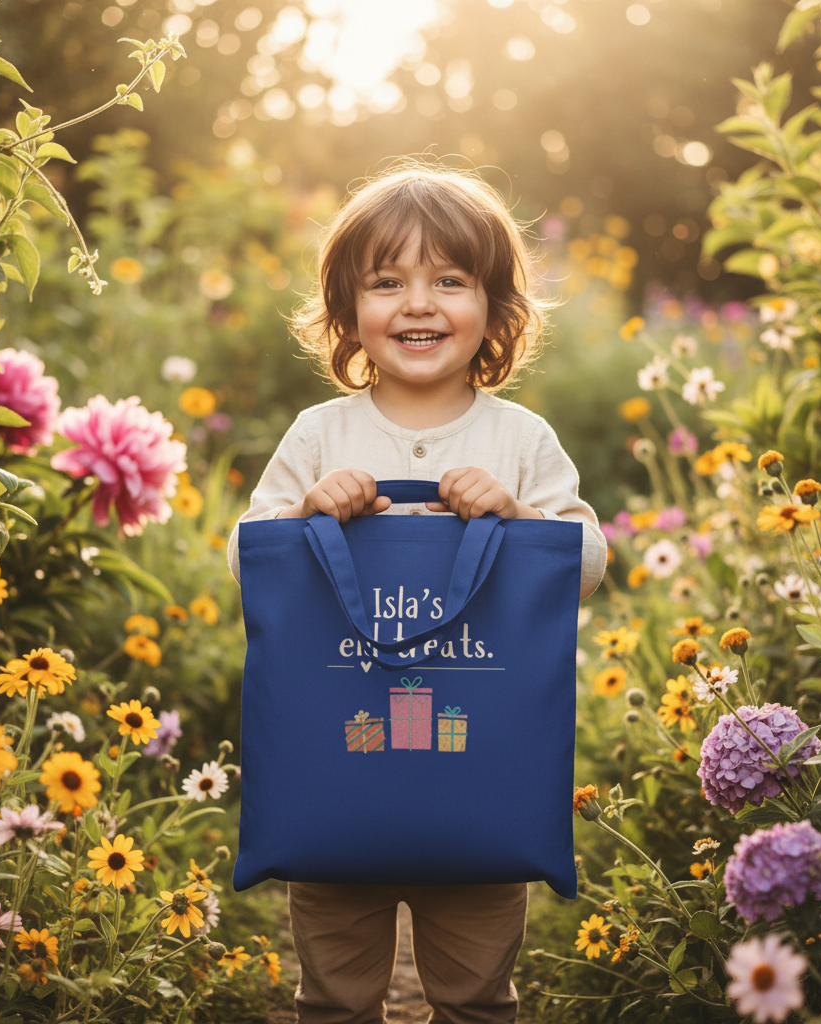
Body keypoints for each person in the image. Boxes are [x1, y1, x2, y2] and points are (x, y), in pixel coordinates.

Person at [227, 160, 606, 1024]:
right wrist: (305, 510)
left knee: (477, 994)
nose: (419, 304)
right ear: (348, 313)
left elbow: (583, 564)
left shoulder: (521, 441)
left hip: (482, 801)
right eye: (388, 282)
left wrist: (515, 514)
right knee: (333, 995)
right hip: (335, 798)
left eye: (451, 281)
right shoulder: (319, 436)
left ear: (497, 310)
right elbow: (248, 562)